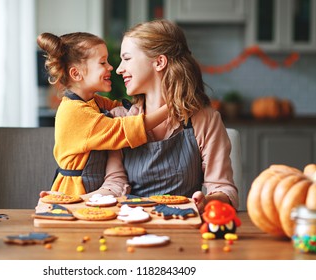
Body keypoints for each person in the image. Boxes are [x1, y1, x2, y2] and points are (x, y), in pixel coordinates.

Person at [102, 19, 239, 213]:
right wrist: (83, 200)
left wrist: (207, 202)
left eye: (127, 58)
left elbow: (224, 189)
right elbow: (115, 184)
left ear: (159, 62)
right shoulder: (119, 120)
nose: (119, 68)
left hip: (184, 226)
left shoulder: (204, 120)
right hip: (131, 225)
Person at [37, 32, 168, 196]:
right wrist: (170, 108)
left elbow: (125, 110)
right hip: (75, 193)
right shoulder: (75, 113)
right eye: (102, 62)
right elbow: (124, 129)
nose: (111, 67)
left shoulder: (93, 102)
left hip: (93, 190)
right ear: (76, 73)